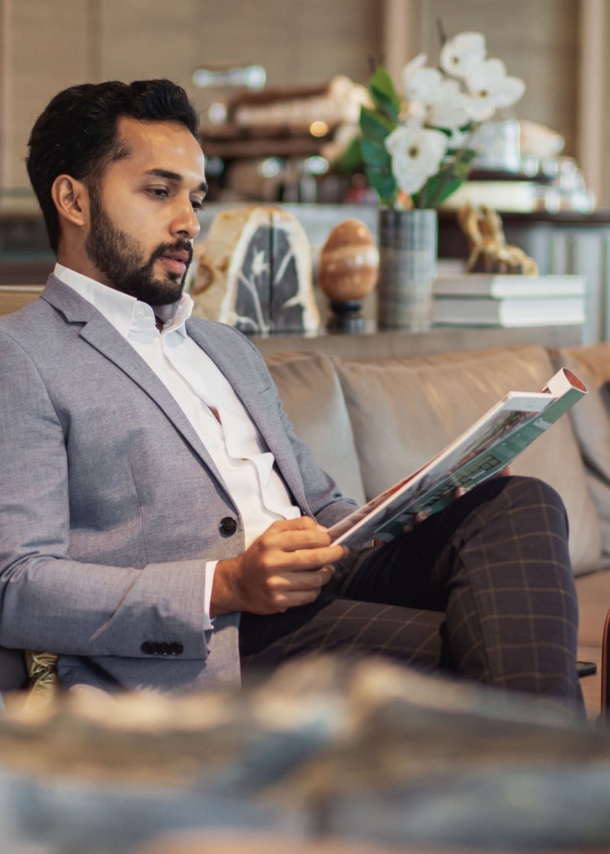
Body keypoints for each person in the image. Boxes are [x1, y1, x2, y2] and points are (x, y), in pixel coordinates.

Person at [0, 79, 583, 712]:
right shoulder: (24, 354)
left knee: (519, 501)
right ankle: (567, 791)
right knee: (497, 653)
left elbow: (323, 503)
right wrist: (225, 585)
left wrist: (403, 505)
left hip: (325, 572)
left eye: (195, 197)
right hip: (225, 635)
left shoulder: (226, 347)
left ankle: (554, 789)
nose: (189, 222)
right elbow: (17, 587)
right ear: (73, 200)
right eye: (159, 191)